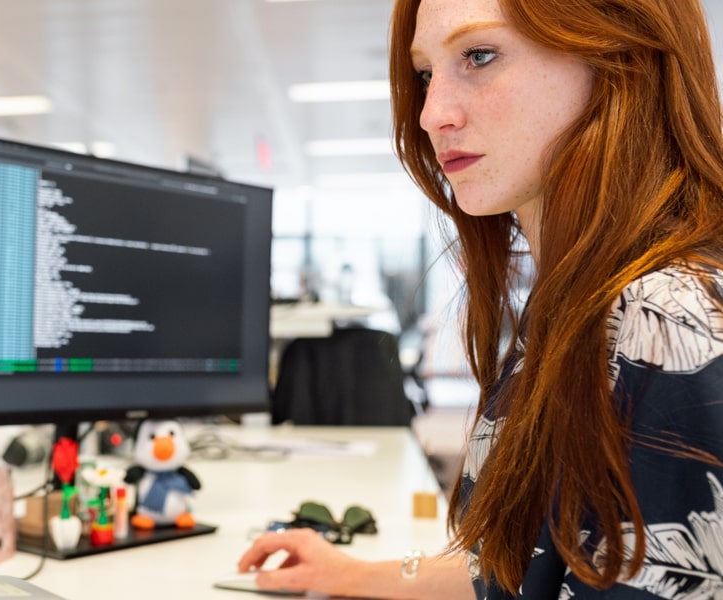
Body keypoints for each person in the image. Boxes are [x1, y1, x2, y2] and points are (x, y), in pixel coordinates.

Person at [238, 0, 723, 597]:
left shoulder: (666, 317)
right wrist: (350, 574)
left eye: (479, 55)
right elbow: (533, 568)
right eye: (424, 75)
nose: (430, 114)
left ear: (621, 57)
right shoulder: (580, 302)